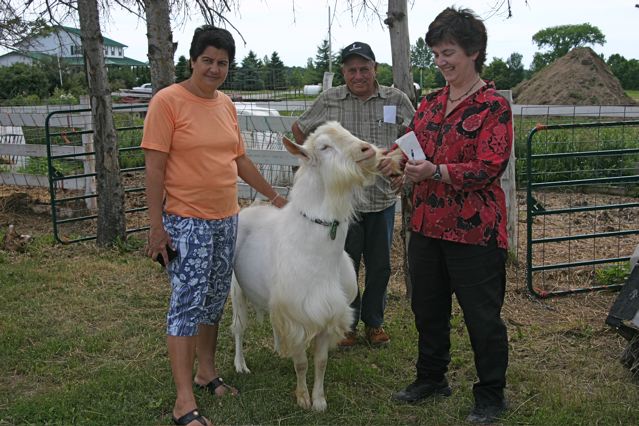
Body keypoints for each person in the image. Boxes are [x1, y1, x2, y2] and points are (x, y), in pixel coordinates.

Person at [142, 26, 286, 426]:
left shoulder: (225, 104)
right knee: (185, 308)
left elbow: (238, 159)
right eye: (207, 60)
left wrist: (275, 198)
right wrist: (156, 228)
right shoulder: (167, 102)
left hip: (227, 220)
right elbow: (153, 169)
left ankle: (207, 373)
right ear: (192, 61)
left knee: (213, 301)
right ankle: (183, 402)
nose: (214, 68)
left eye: (222, 63)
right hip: (186, 222)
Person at [391, 7, 512, 425]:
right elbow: (409, 145)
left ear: (474, 52)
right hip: (426, 225)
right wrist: (397, 162)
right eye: (437, 54)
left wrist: (436, 171)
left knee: (482, 317)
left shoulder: (493, 106)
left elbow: (489, 165)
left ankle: (491, 394)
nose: (441, 62)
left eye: (449, 53)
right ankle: (431, 378)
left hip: (475, 231)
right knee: (427, 308)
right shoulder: (429, 104)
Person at [292, 42, 415, 347]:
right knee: (343, 263)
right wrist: (320, 167)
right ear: (344, 72)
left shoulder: (396, 99)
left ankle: (374, 322)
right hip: (342, 204)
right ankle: (347, 324)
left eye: (364, 68)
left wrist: (403, 166)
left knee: (380, 265)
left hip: (381, 199)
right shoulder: (330, 100)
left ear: (375, 68)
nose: (358, 75)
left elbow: (417, 138)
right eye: (351, 70)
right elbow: (300, 129)